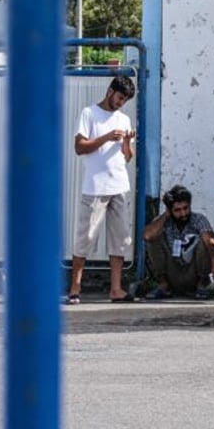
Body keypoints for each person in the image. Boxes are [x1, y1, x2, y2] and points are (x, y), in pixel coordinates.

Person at [66, 75, 137, 304]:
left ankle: (116, 289)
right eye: (119, 97)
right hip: (95, 186)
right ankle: (75, 288)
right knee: (85, 237)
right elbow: (79, 147)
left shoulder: (124, 119)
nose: (120, 103)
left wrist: (126, 144)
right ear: (110, 91)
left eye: (124, 100)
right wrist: (106, 137)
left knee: (119, 239)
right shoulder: (89, 113)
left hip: (119, 185)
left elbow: (127, 157)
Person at [143, 185, 214, 299]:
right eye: (177, 210)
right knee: (153, 238)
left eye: (185, 208)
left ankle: (201, 286)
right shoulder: (163, 222)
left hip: (194, 273)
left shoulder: (198, 219)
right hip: (172, 272)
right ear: (169, 210)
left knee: (205, 243)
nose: (183, 214)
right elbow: (148, 236)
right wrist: (165, 216)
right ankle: (164, 286)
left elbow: (210, 241)